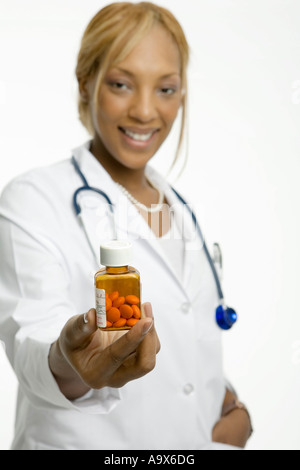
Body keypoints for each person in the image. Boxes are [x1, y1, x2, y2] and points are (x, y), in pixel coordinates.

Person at [0, 2, 252, 450]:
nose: (144, 111)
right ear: (86, 82)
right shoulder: (34, 199)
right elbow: (32, 339)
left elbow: (187, 337)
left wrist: (232, 406)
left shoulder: (180, 209)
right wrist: (70, 360)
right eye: (121, 84)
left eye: (166, 89)